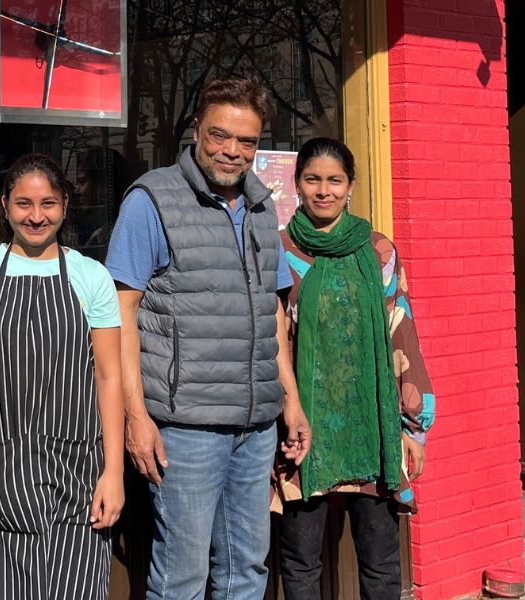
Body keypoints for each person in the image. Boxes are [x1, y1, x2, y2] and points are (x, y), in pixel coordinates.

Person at [105, 77, 311, 599]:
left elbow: (272, 313)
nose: (232, 151)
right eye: (220, 135)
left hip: (256, 425)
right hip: (185, 430)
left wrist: (290, 401)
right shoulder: (152, 199)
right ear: (197, 128)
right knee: (181, 579)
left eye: (247, 142)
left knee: (247, 572)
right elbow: (120, 316)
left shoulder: (265, 208)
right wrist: (136, 417)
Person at [0, 153, 125, 600]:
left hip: (77, 472)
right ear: (5, 205)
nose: (36, 216)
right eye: (24, 204)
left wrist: (113, 472)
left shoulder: (92, 276)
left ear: (65, 205)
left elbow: (109, 376)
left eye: (47, 203)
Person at [273, 137, 434, 600]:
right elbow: (272, 338)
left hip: (373, 425)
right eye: (313, 179)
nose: (323, 190)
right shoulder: (280, 252)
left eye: (334, 181)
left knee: (381, 561)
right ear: (298, 184)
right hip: (303, 428)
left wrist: (413, 428)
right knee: (300, 560)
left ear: (350, 187)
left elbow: (400, 331)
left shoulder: (379, 250)